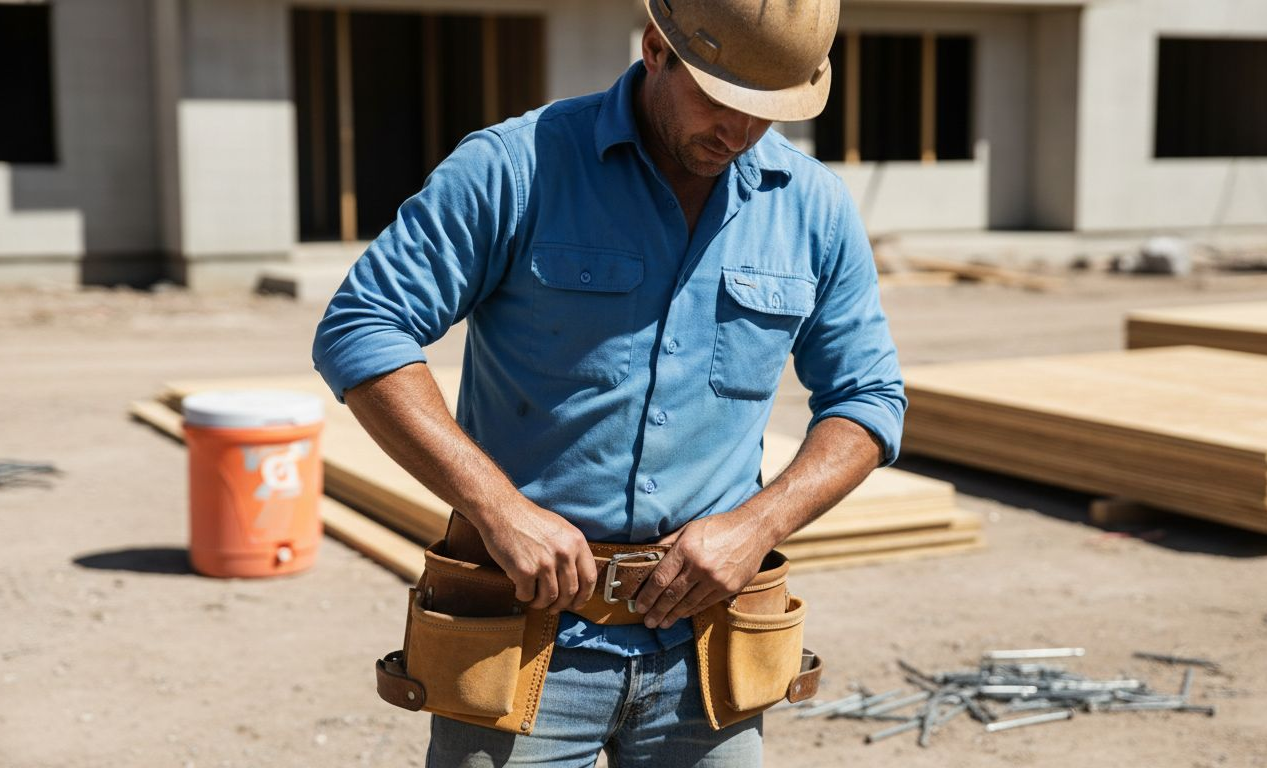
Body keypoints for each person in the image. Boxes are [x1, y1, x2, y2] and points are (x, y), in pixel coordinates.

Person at [312, 0, 905, 764]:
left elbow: (869, 400)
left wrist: (757, 526)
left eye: (766, 114)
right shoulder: (517, 166)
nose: (738, 133)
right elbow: (363, 326)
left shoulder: (811, 207)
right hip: (521, 637)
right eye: (720, 101)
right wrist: (498, 509)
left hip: (708, 647)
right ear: (657, 48)